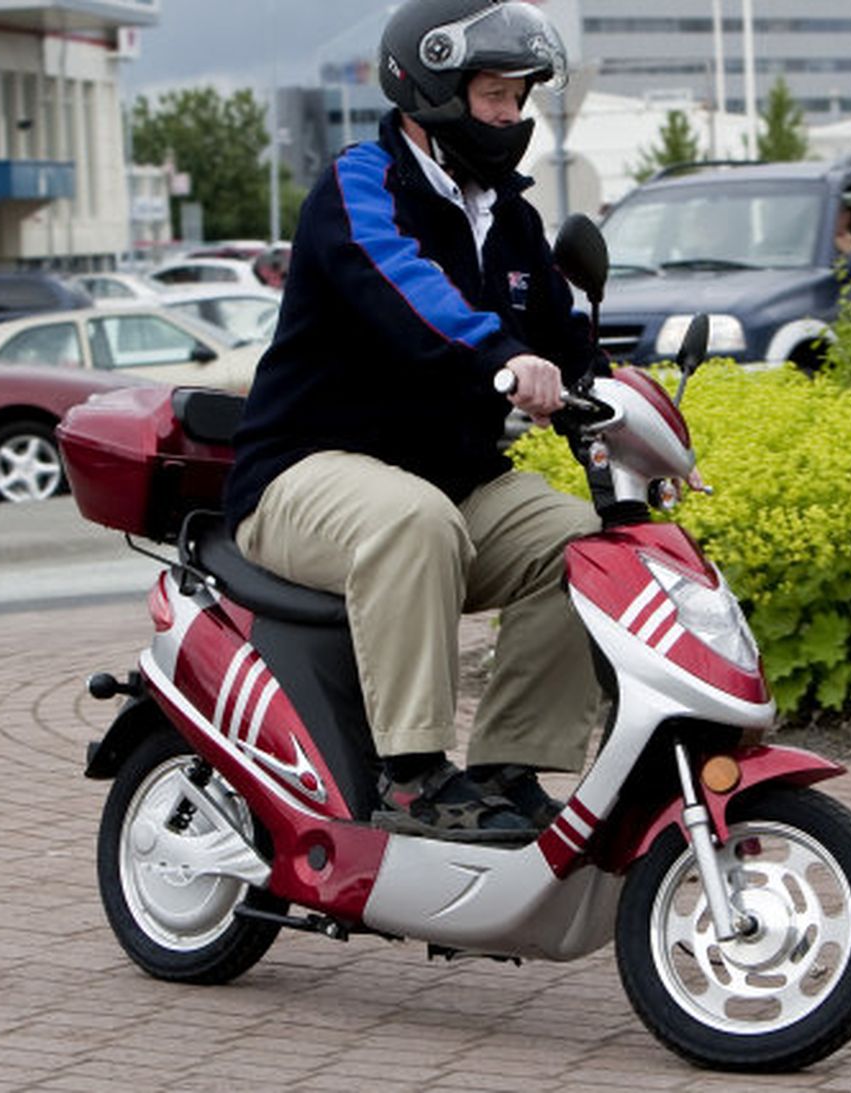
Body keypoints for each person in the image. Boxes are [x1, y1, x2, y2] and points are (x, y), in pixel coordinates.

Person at [223, 0, 606, 839]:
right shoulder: (363, 184)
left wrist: (615, 395)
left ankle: (508, 766)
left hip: (450, 478)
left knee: (584, 542)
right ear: (431, 87)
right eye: (495, 95)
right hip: (301, 473)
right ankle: (412, 776)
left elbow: (563, 334)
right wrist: (499, 355)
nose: (512, 116)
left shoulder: (510, 214)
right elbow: (407, 292)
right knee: (414, 522)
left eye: (519, 98)